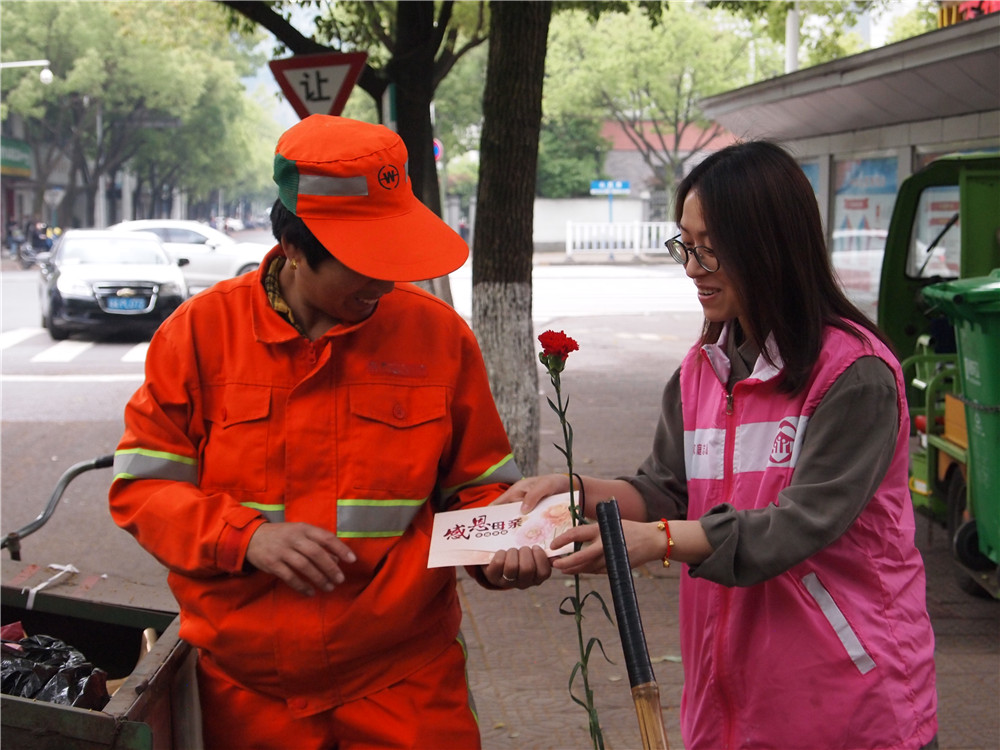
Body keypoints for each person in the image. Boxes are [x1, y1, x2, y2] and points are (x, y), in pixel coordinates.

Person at [109, 115, 551, 750]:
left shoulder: (437, 337)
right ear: (293, 246)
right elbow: (143, 493)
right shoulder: (199, 336)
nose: (382, 283)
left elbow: (479, 490)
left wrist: (506, 549)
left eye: (392, 259)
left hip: (405, 681)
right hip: (246, 692)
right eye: (363, 263)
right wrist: (246, 538)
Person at [499, 141, 938, 750]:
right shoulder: (700, 372)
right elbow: (665, 489)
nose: (692, 267)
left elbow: (798, 524)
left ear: (772, 244)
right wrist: (575, 490)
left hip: (849, 707)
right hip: (730, 705)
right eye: (686, 243)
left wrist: (660, 542)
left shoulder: (853, 376)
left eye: (712, 247)